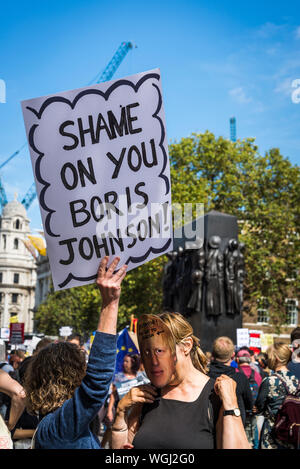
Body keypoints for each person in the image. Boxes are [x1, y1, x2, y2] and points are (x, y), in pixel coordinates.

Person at [23, 256, 127, 449]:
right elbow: (97, 382)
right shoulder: (59, 427)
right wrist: (109, 305)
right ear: (74, 375)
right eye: (83, 366)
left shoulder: (58, 427)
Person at [111, 312, 251, 449]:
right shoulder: (146, 395)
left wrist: (231, 405)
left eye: (160, 351)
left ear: (187, 346)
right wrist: (120, 411)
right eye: (147, 353)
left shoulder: (216, 396)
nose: (153, 362)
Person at [255, 342, 300, 449]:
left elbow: (259, 408)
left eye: (268, 356)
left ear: (276, 358)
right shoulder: (297, 381)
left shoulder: (269, 381)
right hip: (290, 433)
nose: (266, 359)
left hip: (272, 435)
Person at [208, 337, 253, 426]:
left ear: (212, 354)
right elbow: (249, 404)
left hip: (209, 426)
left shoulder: (204, 376)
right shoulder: (240, 378)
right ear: (233, 355)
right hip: (234, 427)